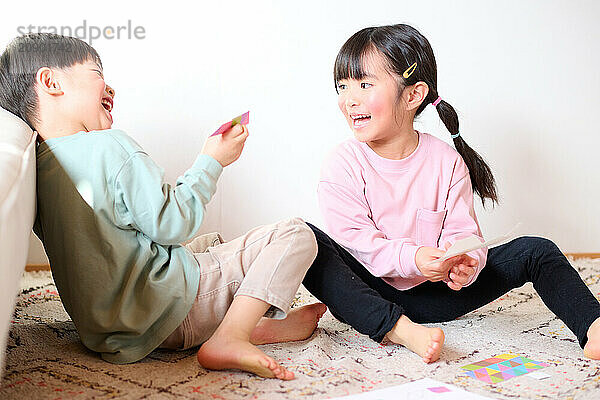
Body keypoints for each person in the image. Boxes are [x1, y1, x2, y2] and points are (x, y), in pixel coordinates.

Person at [0, 33, 326, 380]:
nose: (111, 89)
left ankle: (248, 326)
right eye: (97, 73)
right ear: (51, 82)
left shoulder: (38, 166)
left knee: (211, 244)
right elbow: (173, 222)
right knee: (295, 235)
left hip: (112, 333)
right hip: (170, 311)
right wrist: (211, 161)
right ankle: (232, 335)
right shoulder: (109, 147)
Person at [302, 24, 600, 363]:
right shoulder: (343, 162)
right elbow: (357, 241)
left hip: (436, 294)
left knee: (537, 250)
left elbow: (463, 232)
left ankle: (593, 326)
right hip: (369, 295)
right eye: (343, 86)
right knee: (304, 238)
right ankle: (400, 329)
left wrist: (464, 264)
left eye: (365, 84)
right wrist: (413, 257)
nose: (349, 99)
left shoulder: (446, 160)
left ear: (413, 95)